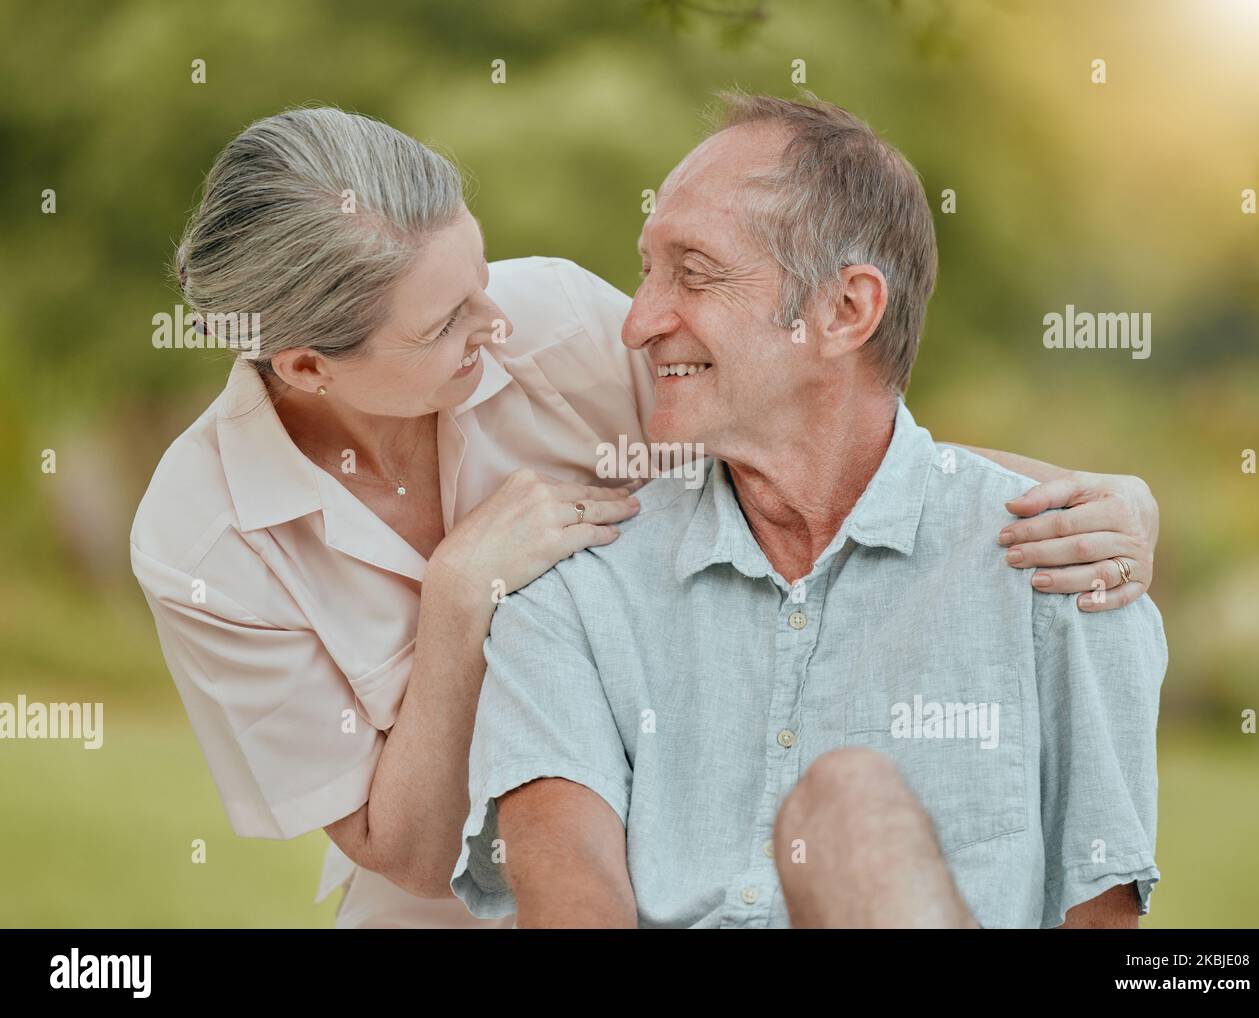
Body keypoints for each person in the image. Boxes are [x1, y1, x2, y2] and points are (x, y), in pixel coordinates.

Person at [132, 105, 1159, 928]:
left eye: (480, 280)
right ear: (308, 367)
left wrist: (1107, 496)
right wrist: (458, 597)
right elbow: (401, 848)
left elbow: (802, 427)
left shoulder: (550, 330)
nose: (496, 324)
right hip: (434, 901)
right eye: (449, 324)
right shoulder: (201, 539)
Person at [449, 93, 1166, 929]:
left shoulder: (1064, 567)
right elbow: (569, 896)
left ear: (844, 312)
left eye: (694, 271)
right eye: (646, 270)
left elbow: (1103, 919)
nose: (639, 323)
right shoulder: (573, 585)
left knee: (849, 811)